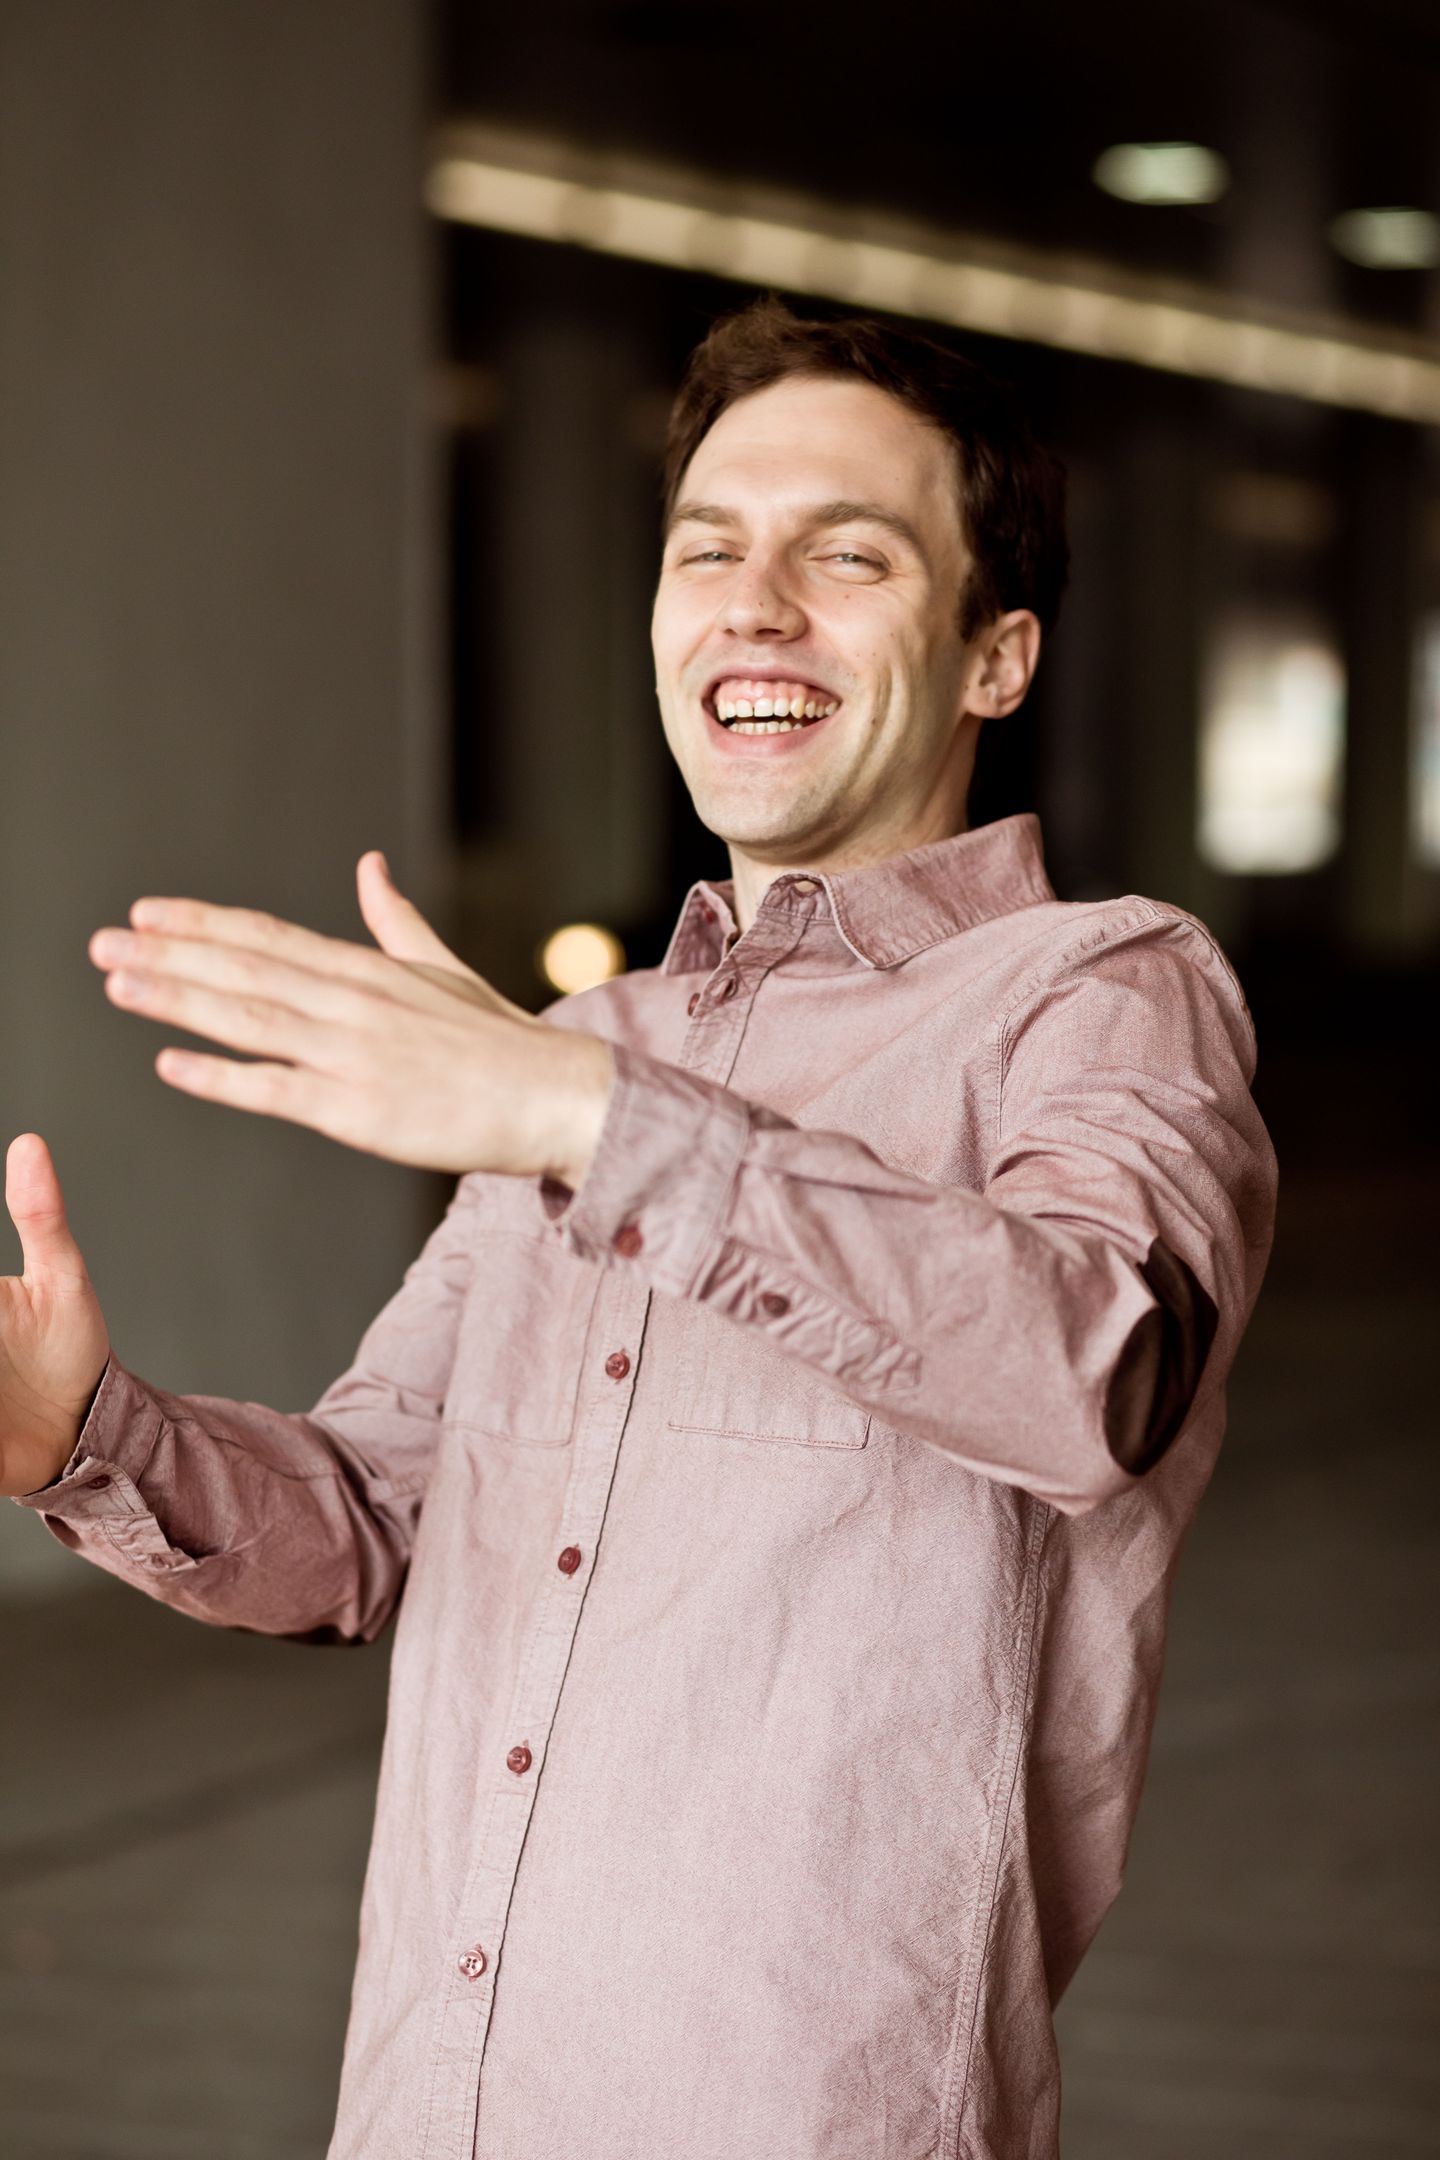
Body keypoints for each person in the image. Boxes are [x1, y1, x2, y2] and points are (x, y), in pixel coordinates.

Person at [3, 295, 1276, 2160]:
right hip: (437, 2106)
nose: (754, 607)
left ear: (996, 658)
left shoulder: (1098, 993)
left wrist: (591, 1125)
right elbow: (368, 1526)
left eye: (847, 556)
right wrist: (83, 1437)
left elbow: (1098, 1371)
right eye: (707, 551)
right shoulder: (588, 1046)